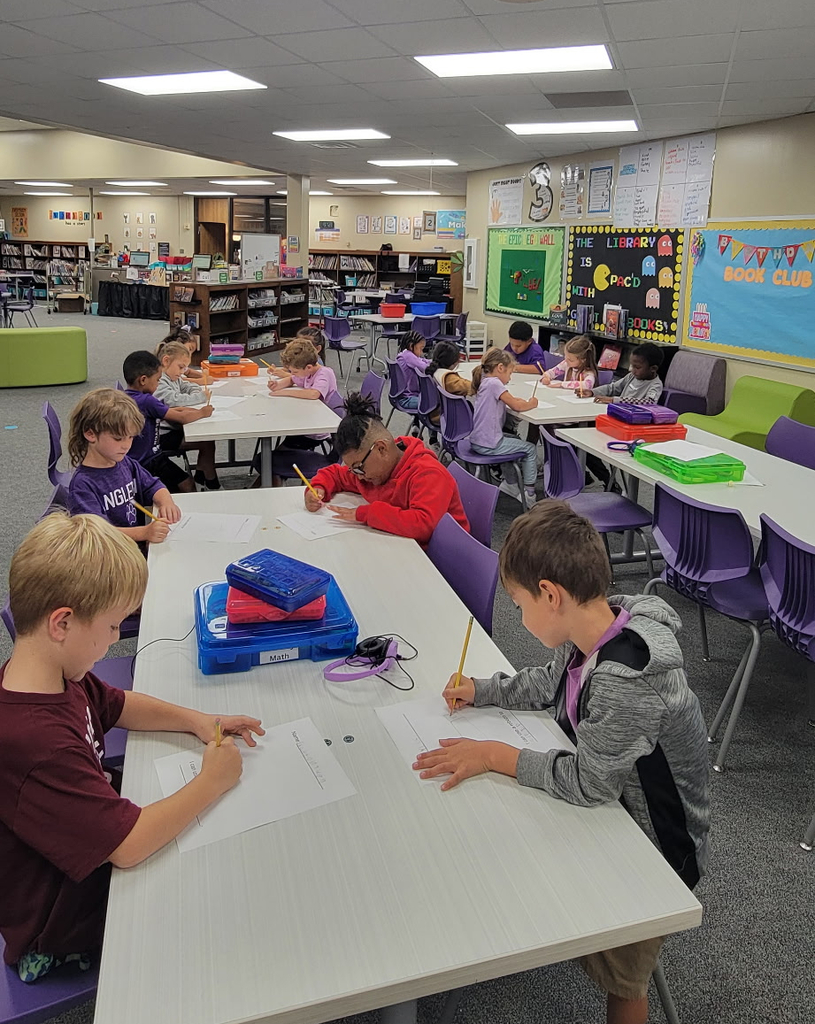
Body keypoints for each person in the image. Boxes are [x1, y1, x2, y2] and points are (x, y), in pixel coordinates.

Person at [414, 500, 709, 1024]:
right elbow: (549, 684)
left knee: (625, 976)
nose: (519, 617)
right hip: (614, 803)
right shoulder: (591, 627)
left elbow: (590, 783)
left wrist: (496, 756)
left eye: (519, 603)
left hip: (654, 847)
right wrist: (482, 691)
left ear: (550, 595)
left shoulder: (627, 679)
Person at [0, 512, 263, 981]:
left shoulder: (53, 672)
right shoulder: (37, 745)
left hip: (88, 846)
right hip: (62, 919)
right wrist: (212, 780)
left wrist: (200, 721)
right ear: (62, 623)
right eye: (113, 625)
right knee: (231, 898)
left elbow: (118, 704)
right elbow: (127, 846)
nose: (117, 637)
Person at [304, 393, 469, 546]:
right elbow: (336, 474)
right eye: (354, 470)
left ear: (381, 449)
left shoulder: (428, 474)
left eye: (359, 469)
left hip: (439, 560)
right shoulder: (372, 470)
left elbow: (423, 525)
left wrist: (368, 514)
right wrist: (319, 488)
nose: (359, 477)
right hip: (398, 546)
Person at [67, 388, 180, 545]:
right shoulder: (82, 485)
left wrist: (166, 502)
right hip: (114, 559)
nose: (126, 445)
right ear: (91, 434)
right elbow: (98, 533)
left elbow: (152, 485)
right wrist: (144, 532)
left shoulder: (125, 462)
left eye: (131, 437)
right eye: (118, 438)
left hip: (135, 548)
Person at [123, 350, 213, 494]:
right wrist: (202, 413)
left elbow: (172, 411)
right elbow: (181, 418)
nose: (159, 384)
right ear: (143, 380)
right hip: (149, 460)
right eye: (158, 380)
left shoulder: (127, 397)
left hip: (136, 459)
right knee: (186, 484)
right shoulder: (147, 401)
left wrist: (188, 410)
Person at [470, 348, 538, 505]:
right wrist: (531, 403)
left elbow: (511, 400)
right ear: (500, 368)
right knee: (530, 449)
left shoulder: (485, 380)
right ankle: (529, 494)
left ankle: (511, 484)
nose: (510, 377)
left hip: (478, 439)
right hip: (489, 443)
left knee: (513, 440)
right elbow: (517, 407)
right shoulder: (495, 383)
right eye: (509, 372)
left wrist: (520, 402)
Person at [154, 341, 220, 489]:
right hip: (162, 435)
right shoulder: (159, 381)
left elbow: (187, 386)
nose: (183, 371)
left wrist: (196, 392)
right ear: (166, 361)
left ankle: (204, 476)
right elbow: (174, 401)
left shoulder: (173, 377)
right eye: (181, 367)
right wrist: (201, 397)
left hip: (172, 427)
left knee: (208, 441)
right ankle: (210, 480)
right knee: (206, 442)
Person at [267, 338, 340, 454]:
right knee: (274, 456)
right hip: (306, 421)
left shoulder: (324, 373)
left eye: (295, 371)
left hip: (316, 429)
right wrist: (278, 385)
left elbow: (313, 393)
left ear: (309, 367)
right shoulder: (307, 372)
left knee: (272, 459)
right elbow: (292, 379)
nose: (293, 374)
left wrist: (284, 392)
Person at [590, 343, 664, 404]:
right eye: (632, 365)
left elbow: (649, 402)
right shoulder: (631, 376)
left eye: (637, 367)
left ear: (653, 369)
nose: (632, 370)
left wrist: (615, 400)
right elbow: (612, 388)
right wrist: (592, 392)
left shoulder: (655, 385)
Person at [423, 340, 472, 427]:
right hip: (444, 416)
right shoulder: (448, 378)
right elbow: (471, 387)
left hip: (433, 411)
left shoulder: (434, 371)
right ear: (454, 362)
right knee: (470, 407)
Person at [395, 331, 430, 411]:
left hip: (406, 396)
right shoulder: (408, 356)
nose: (422, 352)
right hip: (407, 399)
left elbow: (423, 360)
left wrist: (434, 361)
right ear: (411, 346)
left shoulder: (404, 354)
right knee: (437, 403)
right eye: (421, 349)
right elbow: (425, 368)